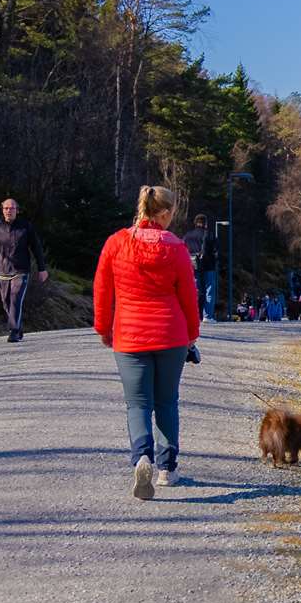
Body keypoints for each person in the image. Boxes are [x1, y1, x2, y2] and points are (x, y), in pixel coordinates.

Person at [93, 186, 201, 500]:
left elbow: (102, 289)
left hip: (129, 336)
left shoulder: (116, 243)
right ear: (164, 213)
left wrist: (103, 327)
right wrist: (192, 333)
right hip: (170, 334)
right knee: (166, 402)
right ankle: (167, 468)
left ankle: (142, 457)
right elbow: (188, 296)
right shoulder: (176, 247)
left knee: (138, 404)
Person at [0, 198, 49, 343]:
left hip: (21, 270)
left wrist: (42, 268)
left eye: (12, 208)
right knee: (6, 302)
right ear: (2, 210)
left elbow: (36, 247)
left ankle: (13, 331)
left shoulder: (26, 227)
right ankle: (18, 328)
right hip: (2, 271)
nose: (9, 211)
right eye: (6, 208)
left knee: (15, 299)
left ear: (17, 211)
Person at [182, 214, 219, 322]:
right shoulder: (210, 234)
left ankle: (193, 315)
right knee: (209, 290)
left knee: (194, 290)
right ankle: (207, 316)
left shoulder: (188, 236)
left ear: (195, 222)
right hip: (209, 266)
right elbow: (216, 251)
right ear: (205, 223)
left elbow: (182, 250)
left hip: (193, 266)